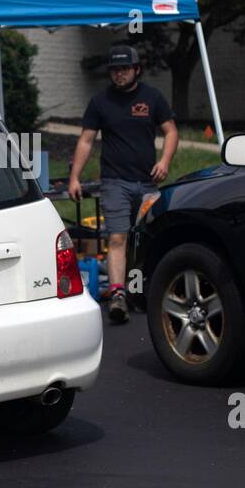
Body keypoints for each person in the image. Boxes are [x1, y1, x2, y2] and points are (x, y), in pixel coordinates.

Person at [68, 44, 178, 324]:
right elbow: (86, 140)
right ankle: (118, 294)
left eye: (124, 69)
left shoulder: (152, 97)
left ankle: (146, 291)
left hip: (148, 182)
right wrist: (74, 177)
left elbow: (171, 131)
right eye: (115, 70)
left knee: (146, 240)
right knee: (117, 238)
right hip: (115, 181)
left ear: (136, 70)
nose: (119, 74)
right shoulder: (100, 101)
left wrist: (165, 161)